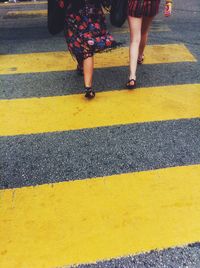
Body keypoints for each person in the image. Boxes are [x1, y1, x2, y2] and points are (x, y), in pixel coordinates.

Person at [63, 0, 119, 99]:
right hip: (93, 11)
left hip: (74, 12)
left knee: (76, 41)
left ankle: (81, 66)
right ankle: (88, 87)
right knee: (87, 47)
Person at [126, 0, 172, 89]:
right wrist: (169, 2)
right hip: (152, 4)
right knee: (144, 32)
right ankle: (140, 56)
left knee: (135, 39)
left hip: (134, 4)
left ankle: (132, 77)